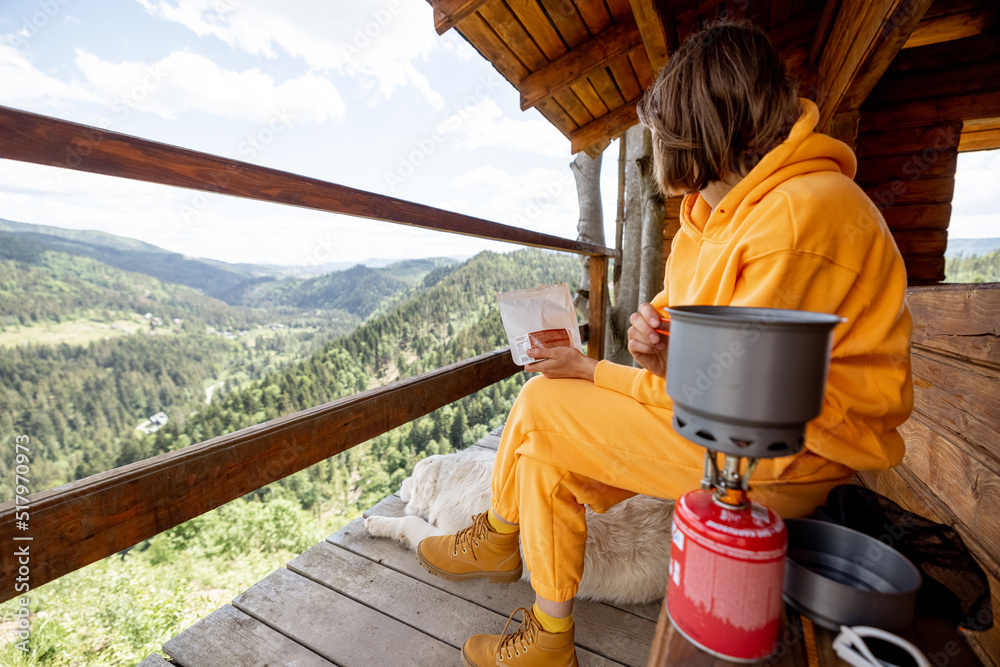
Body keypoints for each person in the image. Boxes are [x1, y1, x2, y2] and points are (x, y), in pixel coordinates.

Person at [418, 18, 913, 667]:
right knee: (545, 437)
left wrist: (599, 370)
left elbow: (739, 400)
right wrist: (654, 333)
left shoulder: (802, 214)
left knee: (545, 404)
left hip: (787, 454)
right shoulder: (714, 215)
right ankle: (546, 626)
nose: (655, 147)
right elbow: (688, 323)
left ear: (698, 129)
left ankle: (503, 540)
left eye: (661, 131)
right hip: (734, 426)